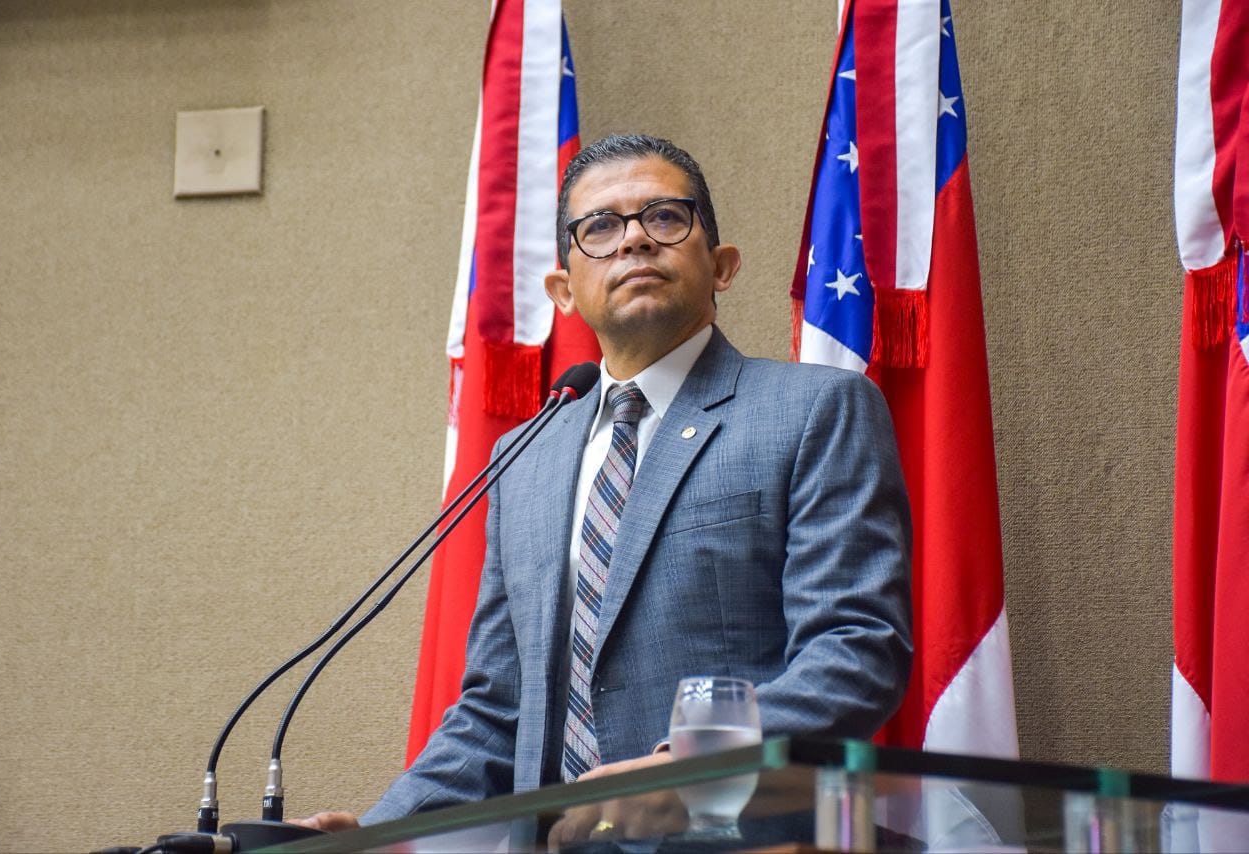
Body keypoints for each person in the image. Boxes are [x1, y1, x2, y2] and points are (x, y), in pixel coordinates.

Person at [299, 134, 912, 837]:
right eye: (600, 227)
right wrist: (381, 835)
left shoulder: (813, 411)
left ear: (722, 266)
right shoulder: (523, 458)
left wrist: (687, 765)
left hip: (741, 839)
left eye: (665, 218)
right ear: (562, 290)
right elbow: (498, 711)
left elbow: (856, 647)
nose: (633, 242)